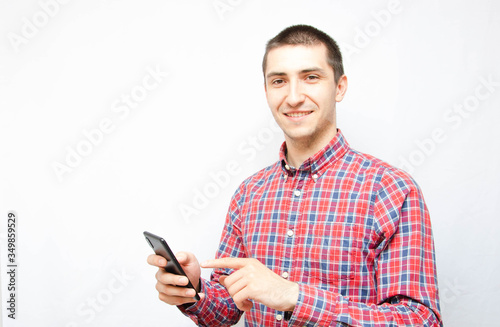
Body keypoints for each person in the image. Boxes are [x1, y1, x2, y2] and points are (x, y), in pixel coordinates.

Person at [147, 24, 442, 326]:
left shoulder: (391, 190)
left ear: (339, 86)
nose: (293, 97)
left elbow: (419, 320)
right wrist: (194, 289)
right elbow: (227, 310)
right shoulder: (249, 193)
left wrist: (296, 297)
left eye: (310, 77)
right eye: (279, 81)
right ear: (266, 91)